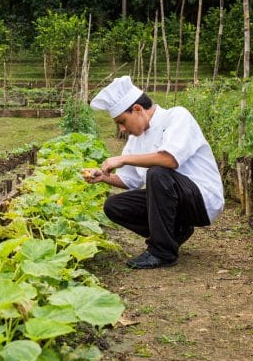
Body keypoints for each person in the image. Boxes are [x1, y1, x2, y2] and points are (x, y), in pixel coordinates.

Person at [83, 76, 224, 269]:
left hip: (202, 200)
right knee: (114, 205)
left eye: (122, 121)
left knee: (158, 173)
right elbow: (129, 180)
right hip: (174, 201)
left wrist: (122, 159)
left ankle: (162, 253)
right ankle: (175, 232)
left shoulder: (176, 116)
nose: (122, 129)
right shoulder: (135, 139)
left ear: (138, 110)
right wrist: (104, 177)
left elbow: (170, 160)